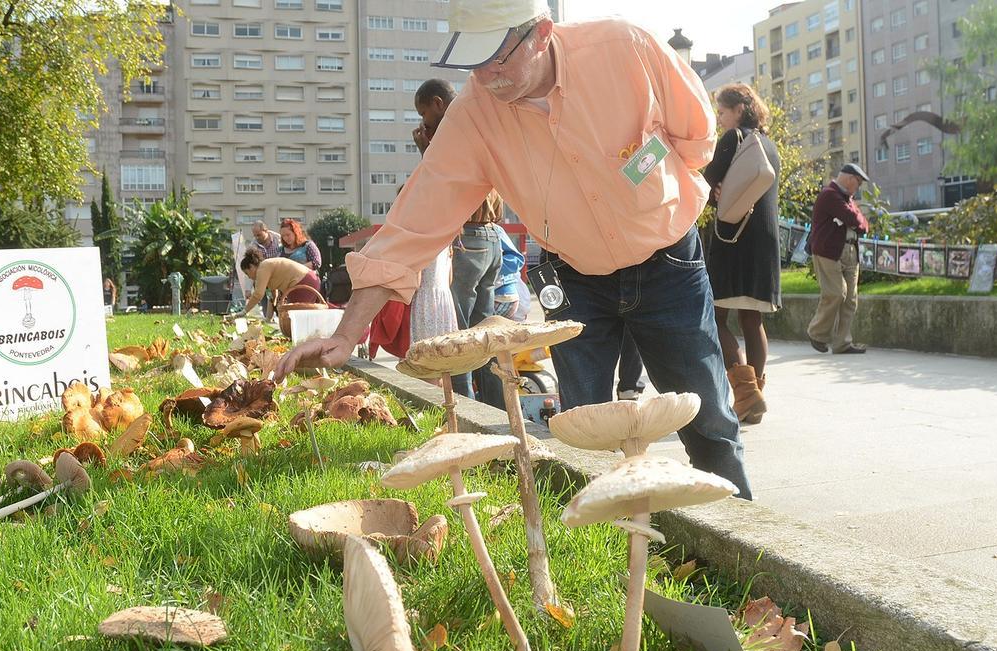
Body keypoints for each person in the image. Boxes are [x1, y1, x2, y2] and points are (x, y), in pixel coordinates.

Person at [275, 0, 752, 499]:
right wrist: (348, 332)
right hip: (575, 279)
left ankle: (744, 562)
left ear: (542, 33)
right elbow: (413, 223)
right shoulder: (473, 115)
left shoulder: (625, 47)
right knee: (579, 430)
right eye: (474, 61)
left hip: (670, 262)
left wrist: (648, 180)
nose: (489, 76)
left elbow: (695, 133)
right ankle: (604, 559)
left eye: (499, 57)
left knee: (710, 420)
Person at [415, 78, 505, 410]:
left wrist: (427, 153)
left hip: (469, 238)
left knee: (461, 338)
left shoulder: (453, 130)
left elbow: (443, 186)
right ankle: (497, 409)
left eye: (425, 113)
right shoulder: (478, 119)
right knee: (486, 336)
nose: (424, 123)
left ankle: (467, 414)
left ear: (438, 103)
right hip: (492, 238)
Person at [702, 83, 782, 423]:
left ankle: (747, 394)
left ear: (739, 109)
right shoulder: (769, 145)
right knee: (753, 318)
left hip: (734, 238)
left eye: (722, 111)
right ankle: (756, 396)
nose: (719, 118)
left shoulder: (732, 138)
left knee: (716, 315)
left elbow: (706, 182)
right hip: (765, 240)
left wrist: (712, 187)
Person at [807, 164, 870, 355]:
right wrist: (855, 218)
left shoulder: (847, 199)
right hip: (828, 251)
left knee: (850, 299)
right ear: (849, 178)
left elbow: (864, 225)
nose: (857, 187)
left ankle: (842, 343)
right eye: (857, 183)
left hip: (851, 250)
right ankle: (817, 333)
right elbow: (851, 217)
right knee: (836, 292)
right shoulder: (830, 194)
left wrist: (856, 218)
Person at [238, 247, 320, 317]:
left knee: (297, 317)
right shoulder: (266, 267)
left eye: (247, 273)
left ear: (251, 267)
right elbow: (273, 294)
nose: (248, 277)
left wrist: (244, 311)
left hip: (303, 281)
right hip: (307, 280)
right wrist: (268, 318)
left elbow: (258, 294)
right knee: (301, 315)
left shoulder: (262, 268)